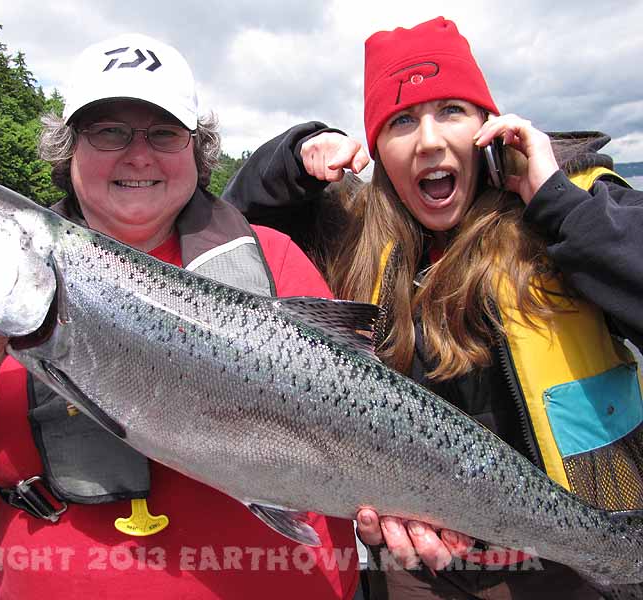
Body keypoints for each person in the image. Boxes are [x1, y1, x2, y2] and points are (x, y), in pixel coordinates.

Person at [0, 33, 361, 599]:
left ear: (197, 150)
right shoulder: (6, 284)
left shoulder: (276, 259)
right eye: (108, 131)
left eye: (163, 133)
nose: (138, 155)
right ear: (68, 151)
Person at [222, 16, 643, 600]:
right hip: (418, 569)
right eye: (400, 121)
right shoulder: (353, 242)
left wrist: (558, 203)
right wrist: (292, 158)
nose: (428, 141)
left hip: (579, 557)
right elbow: (231, 248)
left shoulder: (574, 213)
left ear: (489, 128)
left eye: (451, 111)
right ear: (377, 150)